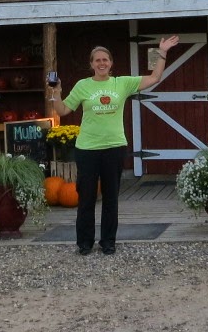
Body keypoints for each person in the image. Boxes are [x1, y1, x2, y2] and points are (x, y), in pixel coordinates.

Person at [47, 35, 179, 255]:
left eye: (105, 60)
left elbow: (155, 77)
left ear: (111, 63)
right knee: (86, 197)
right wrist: (56, 92)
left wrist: (162, 52)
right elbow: (62, 111)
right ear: (91, 64)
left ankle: (108, 241)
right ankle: (85, 243)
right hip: (87, 149)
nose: (101, 63)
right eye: (97, 60)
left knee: (110, 198)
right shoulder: (83, 85)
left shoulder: (122, 83)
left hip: (114, 147)